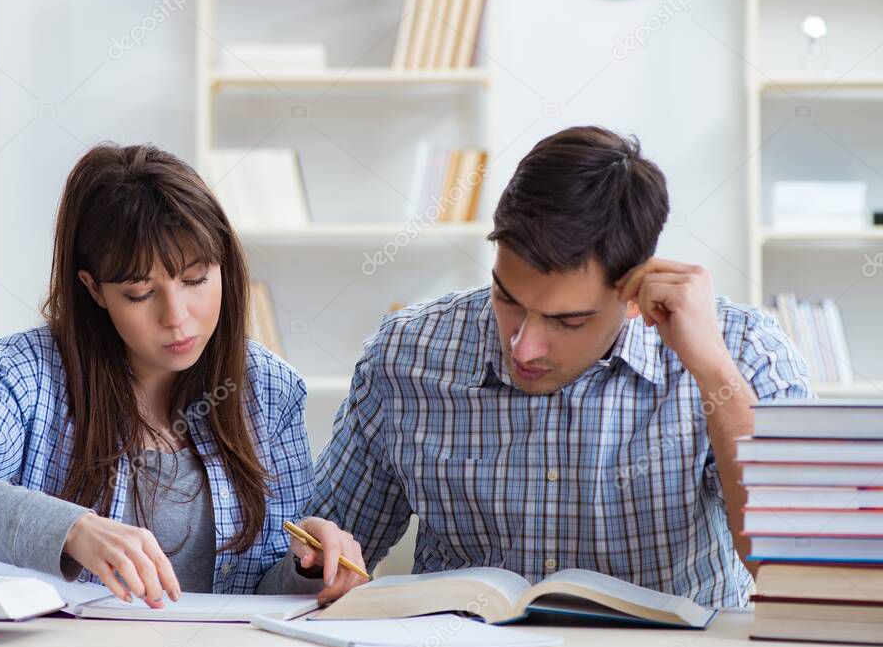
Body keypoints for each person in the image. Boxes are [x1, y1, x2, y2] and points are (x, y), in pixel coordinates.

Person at [308, 125, 810, 608]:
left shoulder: (744, 351)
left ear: (633, 296)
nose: (524, 348)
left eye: (567, 321)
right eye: (506, 299)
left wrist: (714, 372)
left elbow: (793, 567)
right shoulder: (406, 356)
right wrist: (317, 553)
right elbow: (315, 561)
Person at [0, 143, 366, 607]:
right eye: (139, 293)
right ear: (93, 289)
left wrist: (307, 570)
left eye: (196, 280)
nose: (177, 316)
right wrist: (73, 531)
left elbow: (262, 595)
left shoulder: (268, 390)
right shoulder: (30, 373)